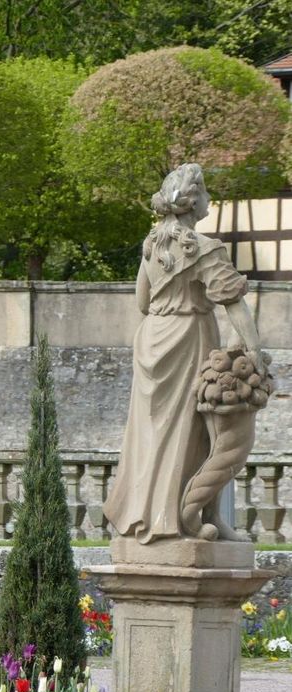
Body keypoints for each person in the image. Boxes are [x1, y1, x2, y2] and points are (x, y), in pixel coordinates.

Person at [103, 163, 263, 543]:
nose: (210, 199)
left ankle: (146, 515)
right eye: (206, 192)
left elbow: (142, 301)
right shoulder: (203, 248)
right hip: (189, 335)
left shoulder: (152, 245)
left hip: (153, 338)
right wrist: (254, 350)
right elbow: (234, 303)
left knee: (151, 432)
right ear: (193, 203)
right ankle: (188, 518)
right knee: (198, 432)